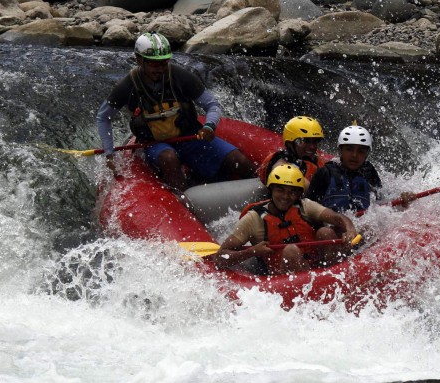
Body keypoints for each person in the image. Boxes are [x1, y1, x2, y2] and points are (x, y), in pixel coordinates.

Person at [96, 31, 255, 192]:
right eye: (154, 64)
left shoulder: (180, 76)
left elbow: (212, 105)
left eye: (164, 63)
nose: (160, 69)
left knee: (238, 160)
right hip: (155, 144)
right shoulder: (127, 85)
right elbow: (103, 117)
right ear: (139, 60)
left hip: (190, 137)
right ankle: (183, 200)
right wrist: (109, 153)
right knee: (169, 158)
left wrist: (209, 126)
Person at [212, 164, 359, 275]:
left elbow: (338, 218)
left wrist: (350, 229)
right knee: (290, 251)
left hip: (317, 269)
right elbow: (220, 257)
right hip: (282, 279)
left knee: (326, 232)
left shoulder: (304, 206)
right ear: (271, 190)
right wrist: (251, 251)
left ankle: (336, 276)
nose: (285, 197)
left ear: (298, 194)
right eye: (280, 190)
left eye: (292, 192)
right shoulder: (253, 218)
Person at [307, 124, 415, 213]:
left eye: (361, 151)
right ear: (341, 151)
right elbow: (309, 208)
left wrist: (402, 200)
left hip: (364, 227)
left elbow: (383, 203)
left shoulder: (369, 172)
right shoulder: (326, 173)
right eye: (349, 149)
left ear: (367, 154)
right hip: (333, 228)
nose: (354, 155)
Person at [257, 116, 326, 190]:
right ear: (290, 143)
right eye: (305, 141)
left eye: (315, 141)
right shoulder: (280, 164)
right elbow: (309, 192)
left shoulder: (314, 160)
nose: (312, 147)